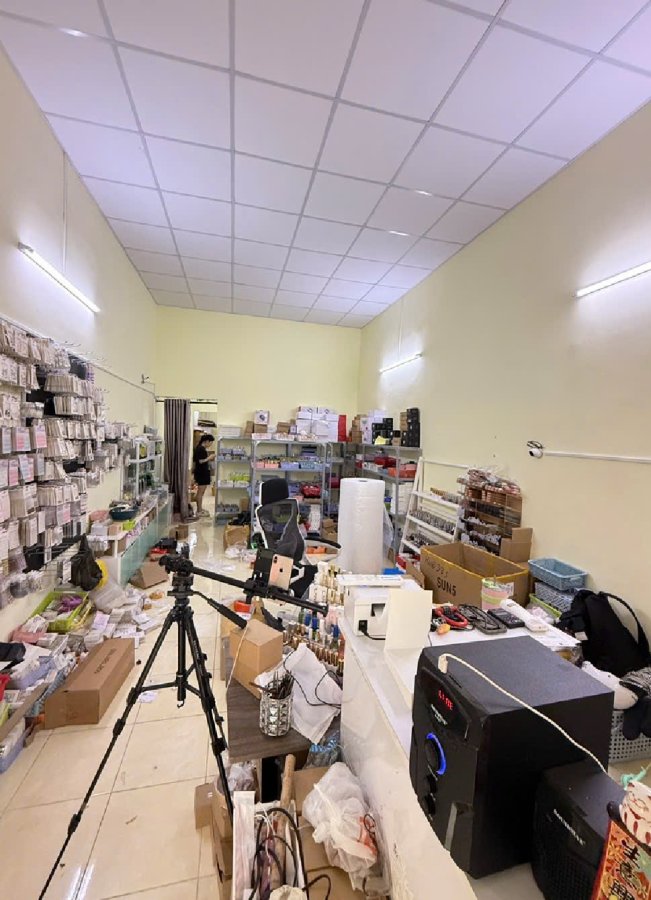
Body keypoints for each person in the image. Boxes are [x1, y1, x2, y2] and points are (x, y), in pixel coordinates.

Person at [193, 433, 215, 517]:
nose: (210, 445)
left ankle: (200, 509)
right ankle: (199, 511)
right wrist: (210, 457)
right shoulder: (200, 449)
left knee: (201, 492)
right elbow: (200, 461)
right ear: (206, 441)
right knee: (200, 492)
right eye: (210, 443)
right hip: (201, 473)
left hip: (202, 472)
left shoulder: (200, 448)